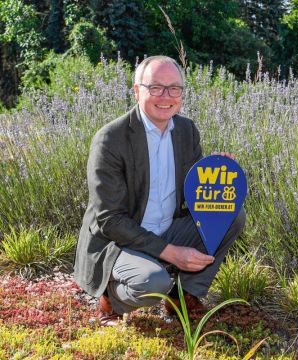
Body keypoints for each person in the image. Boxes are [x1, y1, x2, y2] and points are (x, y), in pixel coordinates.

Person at [74, 55, 246, 326]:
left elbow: (192, 195)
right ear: (136, 90)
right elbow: (110, 220)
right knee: (154, 282)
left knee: (230, 216)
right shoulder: (110, 140)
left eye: (174, 88)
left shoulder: (187, 131)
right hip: (120, 240)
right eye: (155, 87)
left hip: (167, 226)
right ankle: (111, 299)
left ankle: (183, 295)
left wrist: (217, 176)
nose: (166, 96)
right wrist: (171, 253)